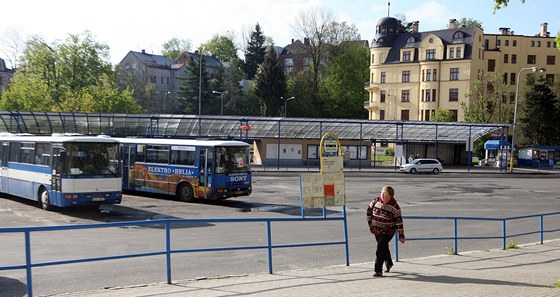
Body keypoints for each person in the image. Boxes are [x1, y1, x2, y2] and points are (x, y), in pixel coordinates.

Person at [366, 185, 405, 277]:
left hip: (387, 231)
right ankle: (389, 262)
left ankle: (378, 270)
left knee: (380, 248)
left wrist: (401, 235)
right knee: (383, 247)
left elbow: (399, 222)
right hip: (376, 230)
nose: (382, 196)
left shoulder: (395, 207)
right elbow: (369, 211)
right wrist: (370, 224)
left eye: (385, 194)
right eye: (382, 193)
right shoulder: (375, 201)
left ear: (391, 196)